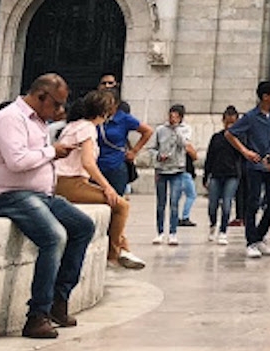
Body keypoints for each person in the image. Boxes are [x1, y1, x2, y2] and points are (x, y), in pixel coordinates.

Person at [0, 74, 96, 339]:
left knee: (83, 226)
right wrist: (52, 152)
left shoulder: (39, 123)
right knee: (54, 236)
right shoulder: (12, 118)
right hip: (10, 195)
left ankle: (60, 299)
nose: (59, 111)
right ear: (41, 97)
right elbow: (17, 161)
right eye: (56, 104)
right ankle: (37, 315)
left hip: (40, 195)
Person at [52, 89, 143, 270]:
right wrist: (107, 187)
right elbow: (88, 163)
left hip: (62, 181)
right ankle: (114, 253)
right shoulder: (87, 129)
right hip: (70, 182)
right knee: (121, 205)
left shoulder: (73, 125)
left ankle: (122, 248)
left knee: (113, 202)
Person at [224, 80, 270, 259]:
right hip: (255, 165)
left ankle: (260, 235)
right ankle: (251, 241)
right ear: (265, 96)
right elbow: (230, 133)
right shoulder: (251, 116)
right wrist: (245, 151)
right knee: (252, 202)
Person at [93, 73, 154, 198]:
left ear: (115, 104)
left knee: (115, 201)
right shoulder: (95, 117)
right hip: (96, 166)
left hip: (116, 166)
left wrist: (134, 151)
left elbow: (147, 131)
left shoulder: (123, 118)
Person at [151, 104, 197, 245]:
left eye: (176, 116)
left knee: (174, 202)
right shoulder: (160, 130)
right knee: (161, 203)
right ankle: (159, 232)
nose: (172, 119)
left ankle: (173, 232)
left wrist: (176, 130)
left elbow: (185, 144)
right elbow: (152, 148)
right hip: (162, 169)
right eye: (171, 116)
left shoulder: (185, 129)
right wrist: (158, 156)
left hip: (177, 169)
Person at [203, 106, 242, 244]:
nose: (230, 125)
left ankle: (223, 231)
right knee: (212, 204)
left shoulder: (239, 138)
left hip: (232, 174)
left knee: (227, 203)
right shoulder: (216, 138)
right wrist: (206, 175)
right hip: (216, 174)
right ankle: (213, 224)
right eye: (227, 122)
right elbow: (210, 157)